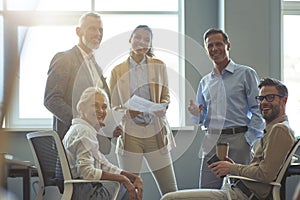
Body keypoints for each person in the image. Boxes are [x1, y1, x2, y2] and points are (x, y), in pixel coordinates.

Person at [161, 77, 295, 199]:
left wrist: (232, 168)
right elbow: (262, 170)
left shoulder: (279, 130)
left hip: (240, 195)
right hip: (235, 189)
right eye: (261, 98)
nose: (264, 102)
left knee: (169, 198)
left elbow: (265, 175)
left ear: (284, 100)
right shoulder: (273, 130)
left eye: (270, 97)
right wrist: (231, 166)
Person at [188, 28, 265, 189]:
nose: (214, 49)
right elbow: (200, 119)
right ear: (206, 50)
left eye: (218, 44)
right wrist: (196, 114)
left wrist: (249, 140)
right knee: (208, 192)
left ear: (228, 46)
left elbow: (258, 110)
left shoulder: (246, 74)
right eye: (210, 46)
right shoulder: (205, 82)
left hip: (239, 140)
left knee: (242, 190)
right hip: (212, 141)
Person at [109, 25, 178, 196]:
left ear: (150, 44)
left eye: (147, 39)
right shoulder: (117, 71)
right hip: (130, 134)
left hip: (155, 131)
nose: (142, 42)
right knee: (131, 191)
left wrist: (163, 106)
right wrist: (125, 112)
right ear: (130, 39)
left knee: (170, 190)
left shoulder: (159, 66)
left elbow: (165, 95)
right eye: (138, 37)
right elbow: (112, 104)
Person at [44, 12, 121, 154]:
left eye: (101, 30)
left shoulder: (96, 66)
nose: (98, 33)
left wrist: (109, 126)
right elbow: (51, 100)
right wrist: (81, 122)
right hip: (72, 142)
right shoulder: (64, 59)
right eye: (92, 28)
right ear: (78, 32)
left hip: (94, 144)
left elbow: (98, 106)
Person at [63, 86, 143, 200]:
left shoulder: (82, 129)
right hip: (86, 193)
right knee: (125, 187)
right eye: (94, 105)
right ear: (81, 108)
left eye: (104, 107)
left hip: (82, 190)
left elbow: (103, 164)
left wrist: (131, 177)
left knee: (127, 183)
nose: (100, 111)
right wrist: (123, 179)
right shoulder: (84, 131)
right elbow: (86, 172)